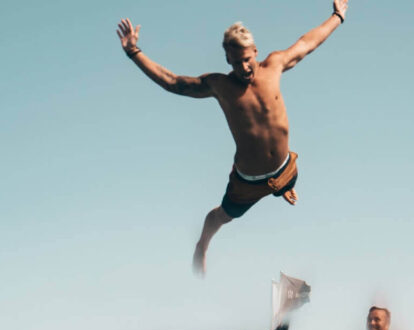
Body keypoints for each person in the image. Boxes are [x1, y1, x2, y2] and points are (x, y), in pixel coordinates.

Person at [116, 1, 349, 276]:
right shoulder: (221, 86)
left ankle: (282, 186)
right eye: (236, 62)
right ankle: (202, 245)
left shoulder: (274, 65)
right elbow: (173, 82)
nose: (244, 67)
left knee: (287, 179)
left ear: (255, 52)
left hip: (286, 169)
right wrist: (133, 51)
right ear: (227, 60)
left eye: (247, 59)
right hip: (247, 183)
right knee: (220, 217)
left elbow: (308, 43)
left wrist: (337, 16)